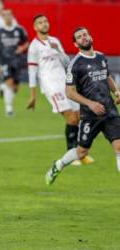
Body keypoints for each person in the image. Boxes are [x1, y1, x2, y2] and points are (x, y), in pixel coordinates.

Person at [45, 27, 120, 185]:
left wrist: (116, 91)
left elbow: (107, 77)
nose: (83, 38)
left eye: (85, 34)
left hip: (110, 111)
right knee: (82, 152)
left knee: (119, 147)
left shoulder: (100, 57)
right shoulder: (75, 64)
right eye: (79, 37)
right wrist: (90, 104)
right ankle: (59, 164)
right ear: (75, 43)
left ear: (90, 37)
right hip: (90, 116)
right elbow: (69, 92)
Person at [27, 14, 94, 166]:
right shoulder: (34, 47)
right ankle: (71, 155)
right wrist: (33, 95)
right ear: (35, 27)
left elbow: (67, 62)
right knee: (71, 118)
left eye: (45, 21)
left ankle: (79, 154)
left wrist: (58, 50)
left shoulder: (55, 41)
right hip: (51, 86)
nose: (44, 24)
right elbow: (32, 72)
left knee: (78, 116)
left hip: (65, 84)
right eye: (40, 22)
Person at [0, 9, 28, 116]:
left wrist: (22, 48)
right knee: (10, 82)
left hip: (17, 61)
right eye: (5, 15)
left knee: (15, 87)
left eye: (9, 15)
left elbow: (26, 42)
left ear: (12, 16)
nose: (7, 17)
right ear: (3, 18)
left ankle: (2, 87)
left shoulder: (19, 30)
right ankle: (9, 108)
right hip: (4, 61)